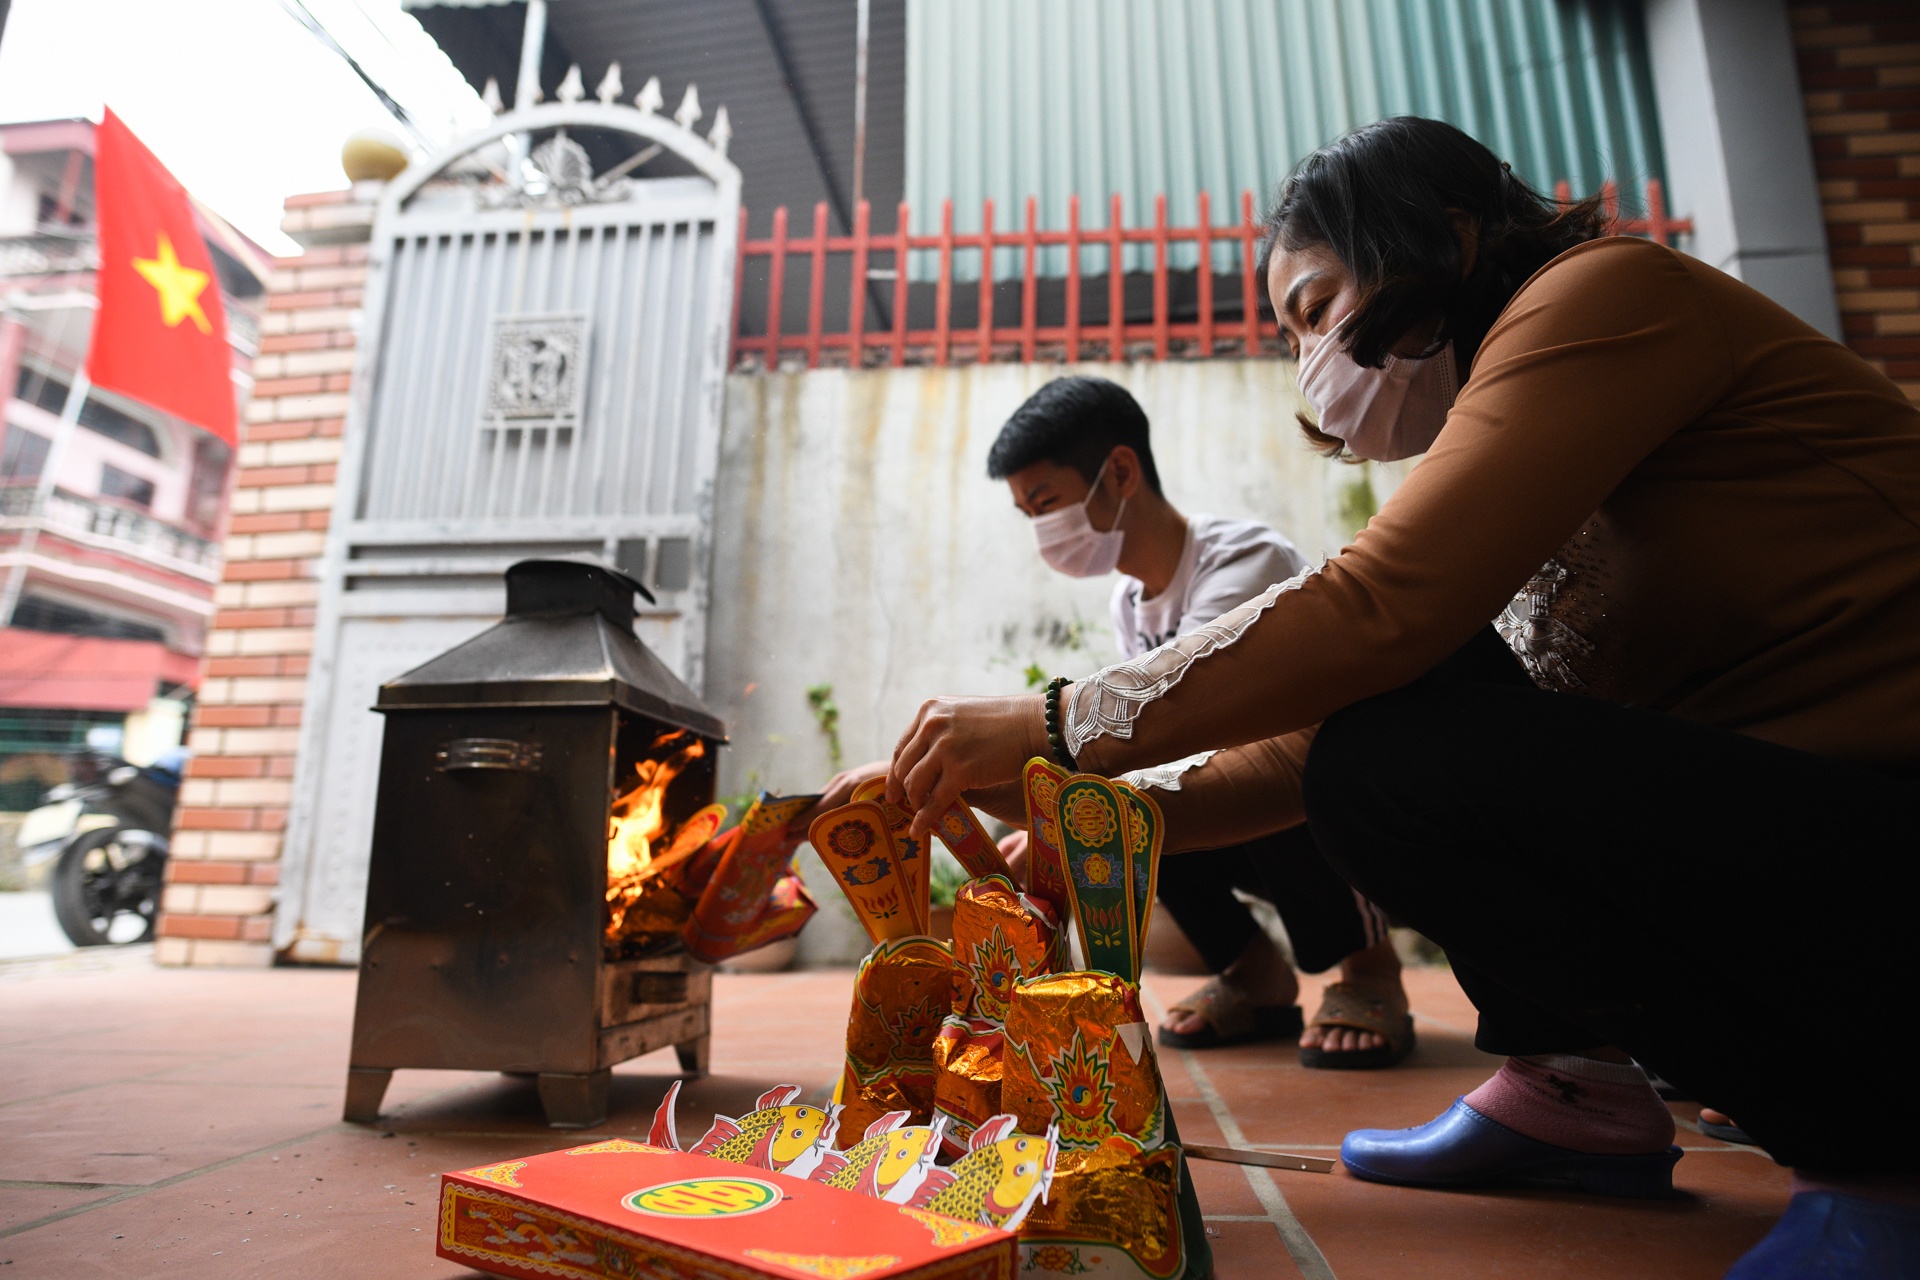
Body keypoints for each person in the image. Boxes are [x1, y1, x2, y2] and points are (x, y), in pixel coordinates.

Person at [881, 116, 1920, 1276]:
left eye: (1319, 306)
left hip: (1880, 818)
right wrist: (1071, 808)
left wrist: (1057, 721)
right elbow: (1312, 740)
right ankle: (1573, 1084)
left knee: (1389, 762)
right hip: (1798, 842)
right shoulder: (1526, 432)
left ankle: (1882, 1156)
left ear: (1446, 235)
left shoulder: (1610, 293)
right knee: (1378, 742)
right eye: (1291, 333)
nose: (1311, 357)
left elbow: (1381, 608)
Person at [982, 375, 1410, 1065]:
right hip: (1244, 821)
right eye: (1027, 512)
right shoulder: (1128, 601)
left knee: (1252, 750)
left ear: (1120, 473)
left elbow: (1197, 724)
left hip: (1336, 812)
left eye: (1047, 503)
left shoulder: (1243, 560)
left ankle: (1369, 966)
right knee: (1121, 801)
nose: (1042, 530)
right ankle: (1252, 972)